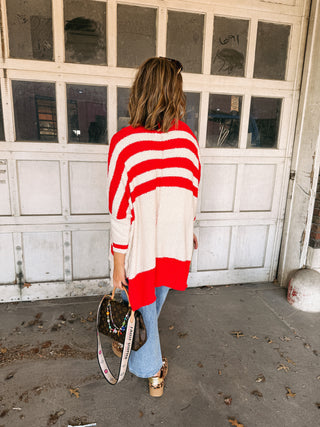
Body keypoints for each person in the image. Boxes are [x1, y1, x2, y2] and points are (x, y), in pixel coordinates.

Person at [107, 57, 201, 397]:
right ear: (175, 94)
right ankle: (141, 353)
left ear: (140, 91)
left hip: (141, 249)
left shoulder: (125, 144)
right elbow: (191, 193)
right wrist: (187, 231)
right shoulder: (188, 141)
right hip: (174, 245)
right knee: (149, 308)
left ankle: (150, 369)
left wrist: (118, 259)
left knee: (142, 306)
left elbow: (120, 208)